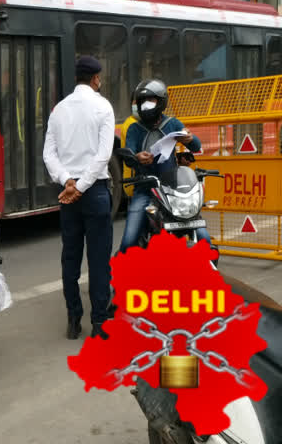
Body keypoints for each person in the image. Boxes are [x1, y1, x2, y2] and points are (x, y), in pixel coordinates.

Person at [43, 55, 115, 340]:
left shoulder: (58, 110)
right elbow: (103, 156)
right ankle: (99, 323)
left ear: (77, 78)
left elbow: (49, 154)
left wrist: (68, 182)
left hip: (67, 195)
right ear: (96, 78)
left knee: (69, 258)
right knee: (98, 260)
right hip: (94, 191)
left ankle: (73, 319)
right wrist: (82, 186)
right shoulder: (103, 107)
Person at [118, 78, 207, 253]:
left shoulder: (173, 124)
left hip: (174, 191)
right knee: (129, 242)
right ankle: (124, 274)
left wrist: (190, 138)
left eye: (150, 100)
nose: (145, 105)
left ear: (161, 101)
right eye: (142, 101)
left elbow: (196, 146)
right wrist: (137, 157)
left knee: (203, 235)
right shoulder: (134, 129)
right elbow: (128, 156)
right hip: (145, 190)